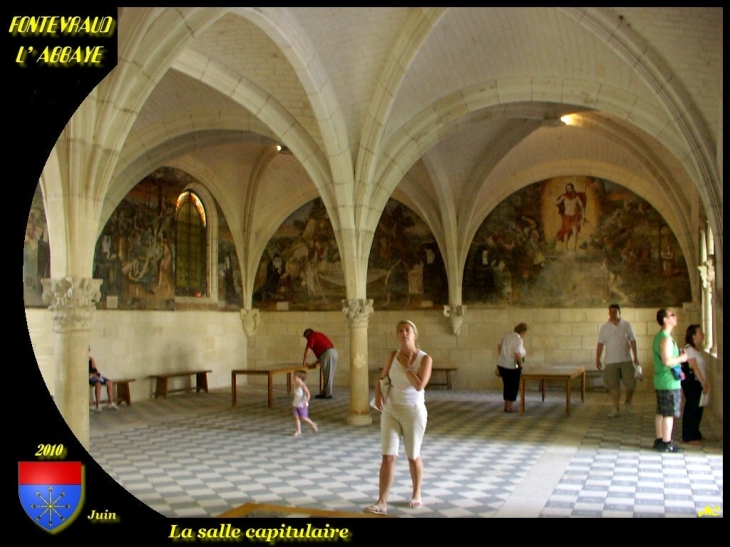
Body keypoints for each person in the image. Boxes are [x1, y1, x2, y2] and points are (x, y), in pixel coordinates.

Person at [365, 320, 432, 515]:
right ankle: (381, 502)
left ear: (415, 335)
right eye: (400, 331)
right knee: (388, 456)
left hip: (414, 411)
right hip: (391, 410)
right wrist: (378, 393)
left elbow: (420, 385)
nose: (404, 334)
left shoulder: (425, 358)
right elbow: (383, 378)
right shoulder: (392, 355)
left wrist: (407, 367)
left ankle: (417, 492)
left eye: (407, 330)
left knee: (413, 456)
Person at [652, 309, 689, 453]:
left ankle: (659, 439)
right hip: (668, 381)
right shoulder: (665, 338)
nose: (675, 317)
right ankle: (667, 443)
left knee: (661, 411)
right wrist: (682, 359)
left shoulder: (661, 337)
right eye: (672, 315)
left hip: (662, 380)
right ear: (665, 320)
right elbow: (667, 361)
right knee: (669, 413)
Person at [595, 304, 639, 417]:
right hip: (611, 361)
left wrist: (635, 357)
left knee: (631, 384)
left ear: (619, 312)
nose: (613, 314)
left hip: (626, 359)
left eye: (615, 311)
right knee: (613, 386)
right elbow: (600, 344)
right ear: (608, 313)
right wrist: (597, 358)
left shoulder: (627, 325)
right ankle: (616, 408)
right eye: (611, 312)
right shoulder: (604, 327)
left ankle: (628, 401)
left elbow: (633, 341)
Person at [681, 324, 709, 445]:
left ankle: (695, 433)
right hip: (693, 382)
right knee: (692, 408)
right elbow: (695, 368)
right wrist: (703, 383)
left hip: (698, 382)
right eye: (700, 332)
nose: (703, 334)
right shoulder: (689, 349)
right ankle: (688, 435)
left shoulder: (697, 349)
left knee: (698, 409)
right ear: (693, 336)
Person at [496, 323, 528, 413]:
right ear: (522, 332)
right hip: (512, 366)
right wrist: (521, 363)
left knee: (506, 385)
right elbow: (517, 354)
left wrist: (503, 356)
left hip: (502, 364)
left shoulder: (506, 336)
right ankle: (510, 406)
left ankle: (506, 405)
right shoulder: (518, 340)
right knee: (513, 386)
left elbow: (499, 346)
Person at [302, 328, 338, 399]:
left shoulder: (312, 335)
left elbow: (308, 349)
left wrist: (304, 361)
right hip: (333, 352)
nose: (307, 339)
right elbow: (323, 349)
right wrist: (318, 361)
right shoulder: (319, 334)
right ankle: (325, 392)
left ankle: (328, 394)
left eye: (306, 337)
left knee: (327, 374)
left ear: (307, 334)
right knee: (329, 374)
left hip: (327, 354)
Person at [555, 183, 585, 252]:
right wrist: (552, 195)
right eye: (567, 188)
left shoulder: (576, 197)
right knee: (566, 233)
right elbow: (557, 203)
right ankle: (566, 250)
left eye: (570, 188)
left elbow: (582, 207)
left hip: (574, 216)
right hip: (567, 216)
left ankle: (574, 250)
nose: (569, 190)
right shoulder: (564, 196)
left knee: (575, 233)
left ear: (572, 188)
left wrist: (583, 218)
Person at [89, 347, 117, 412]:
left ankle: (111, 402)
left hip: (95, 375)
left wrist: (96, 374)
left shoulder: (90, 359)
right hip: (89, 377)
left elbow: (94, 369)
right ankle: (98, 405)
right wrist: (92, 375)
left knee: (109, 382)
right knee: (98, 384)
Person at [291, 370, 318, 436]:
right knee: (296, 417)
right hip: (296, 403)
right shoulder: (295, 384)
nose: (294, 377)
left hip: (302, 404)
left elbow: (308, 394)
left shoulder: (302, 385)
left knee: (303, 418)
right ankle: (298, 430)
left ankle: (312, 424)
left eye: (295, 376)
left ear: (300, 377)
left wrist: (305, 401)